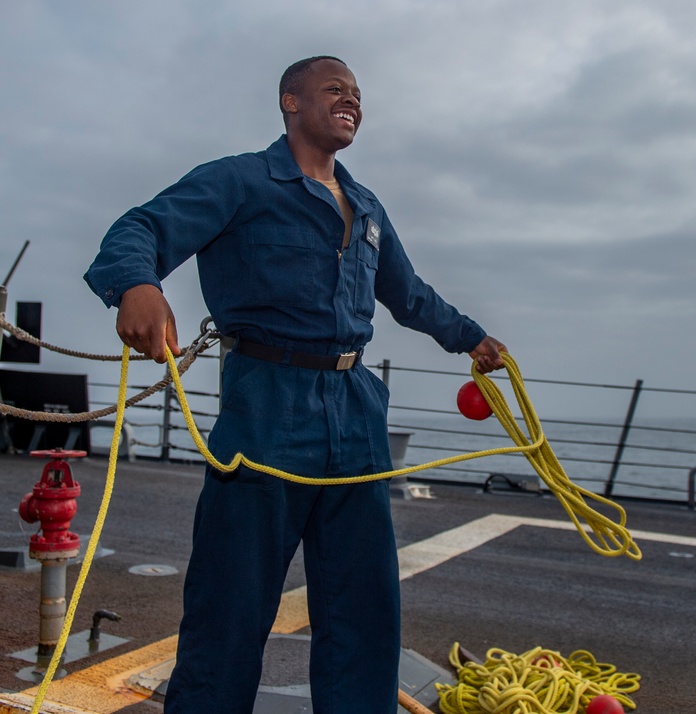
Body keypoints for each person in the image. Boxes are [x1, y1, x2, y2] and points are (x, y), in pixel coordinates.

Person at [84, 56, 506, 714]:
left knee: (365, 607)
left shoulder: (366, 206)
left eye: (358, 94)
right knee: (232, 604)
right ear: (290, 102)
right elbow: (141, 227)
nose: (352, 101)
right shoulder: (241, 180)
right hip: (267, 407)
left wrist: (470, 337)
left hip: (356, 412)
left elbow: (408, 293)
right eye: (335, 89)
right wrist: (136, 284)